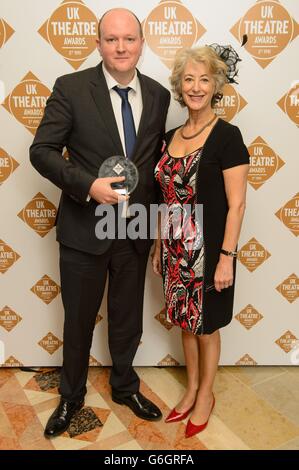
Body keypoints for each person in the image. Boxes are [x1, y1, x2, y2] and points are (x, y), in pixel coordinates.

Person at [30, 8, 170, 438]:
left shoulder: (160, 95)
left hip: (133, 230)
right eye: (112, 39)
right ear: (98, 44)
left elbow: (153, 162)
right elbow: (43, 151)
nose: (121, 47)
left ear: (142, 44)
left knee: (127, 317)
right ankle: (71, 395)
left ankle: (125, 385)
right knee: (78, 320)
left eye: (129, 39)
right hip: (84, 228)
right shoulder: (71, 89)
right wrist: (88, 185)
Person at [152, 45, 249, 438]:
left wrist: (227, 258)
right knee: (185, 322)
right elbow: (164, 198)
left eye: (204, 79)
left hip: (208, 253)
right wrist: (160, 245)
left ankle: (206, 395)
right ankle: (191, 388)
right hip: (176, 249)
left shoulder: (227, 136)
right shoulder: (168, 137)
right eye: (188, 79)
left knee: (206, 326)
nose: (195, 87)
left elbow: (237, 204)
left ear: (215, 86)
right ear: (180, 85)